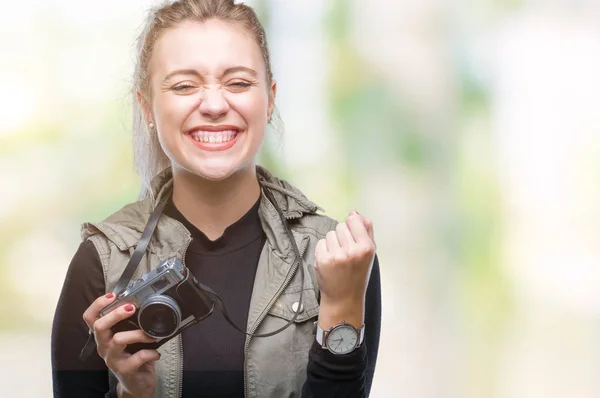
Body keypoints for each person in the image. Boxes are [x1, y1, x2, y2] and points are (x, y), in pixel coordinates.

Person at [50, 0, 381, 397]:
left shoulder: (333, 260)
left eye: (238, 83)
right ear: (147, 106)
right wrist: (132, 393)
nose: (213, 105)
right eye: (184, 86)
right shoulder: (101, 263)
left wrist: (342, 308)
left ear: (270, 98)